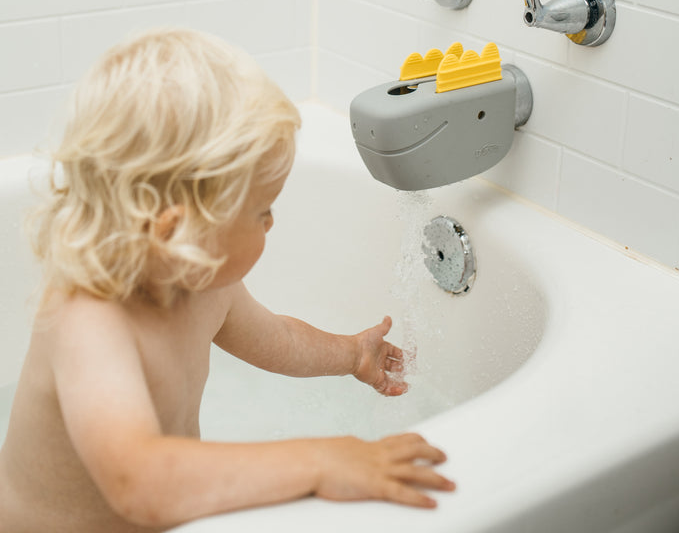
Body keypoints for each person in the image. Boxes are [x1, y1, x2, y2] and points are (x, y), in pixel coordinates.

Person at [0, 29, 454, 532]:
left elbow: (277, 339)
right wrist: (321, 460)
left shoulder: (201, 282)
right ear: (180, 229)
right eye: (262, 210)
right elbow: (140, 482)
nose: (271, 223)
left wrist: (351, 354)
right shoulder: (87, 321)